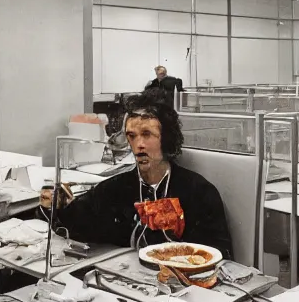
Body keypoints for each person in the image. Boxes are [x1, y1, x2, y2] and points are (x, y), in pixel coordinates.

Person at [39, 91, 233, 257]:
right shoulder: (115, 189)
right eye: (132, 136)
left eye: (147, 134)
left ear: (166, 139)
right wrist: (60, 206)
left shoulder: (199, 192)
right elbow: (81, 226)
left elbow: (218, 254)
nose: (139, 144)